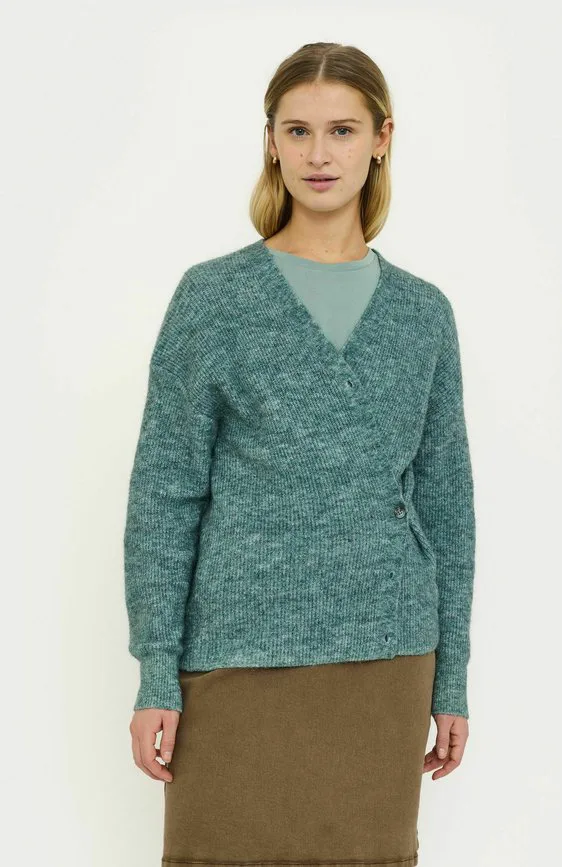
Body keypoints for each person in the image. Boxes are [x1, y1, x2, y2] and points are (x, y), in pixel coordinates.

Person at [124, 41, 476, 867]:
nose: (320, 154)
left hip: (386, 653)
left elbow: (447, 503)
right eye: (299, 130)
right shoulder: (213, 299)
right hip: (236, 653)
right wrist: (156, 671)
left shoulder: (423, 313)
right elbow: (165, 495)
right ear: (271, 141)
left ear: (382, 139)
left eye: (342, 130)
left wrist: (452, 676)